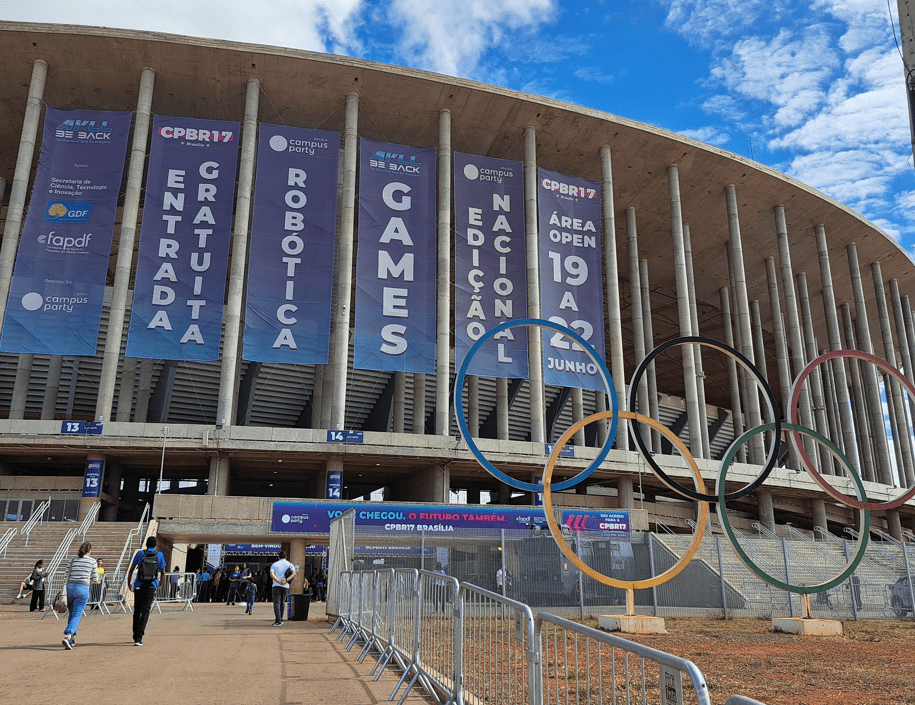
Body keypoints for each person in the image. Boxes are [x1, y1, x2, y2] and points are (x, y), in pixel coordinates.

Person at [127, 536, 166, 646]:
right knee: (146, 610)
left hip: (139, 584)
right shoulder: (159, 555)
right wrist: (160, 585)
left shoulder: (140, 553)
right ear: (155, 545)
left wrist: (129, 583)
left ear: (146, 544)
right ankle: (139, 637)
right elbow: (163, 572)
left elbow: (131, 570)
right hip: (151, 585)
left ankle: (135, 634)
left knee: (137, 610)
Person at [62, 542, 99, 650]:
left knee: (72, 613)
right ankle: (68, 635)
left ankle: (72, 639)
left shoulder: (73, 560)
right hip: (82, 588)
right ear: (90, 551)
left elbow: (66, 575)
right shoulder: (92, 561)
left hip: (70, 588)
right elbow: (95, 579)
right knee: (77, 614)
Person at [269, 551, 296, 626]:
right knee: (282, 602)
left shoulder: (274, 564)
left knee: (276, 602)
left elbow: (272, 574)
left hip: (276, 585)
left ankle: (278, 621)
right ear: (286, 557)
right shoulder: (290, 564)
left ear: (278, 557)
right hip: (285, 586)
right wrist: (286, 580)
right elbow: (294, 573)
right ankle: (281, 619)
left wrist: (278, 581)